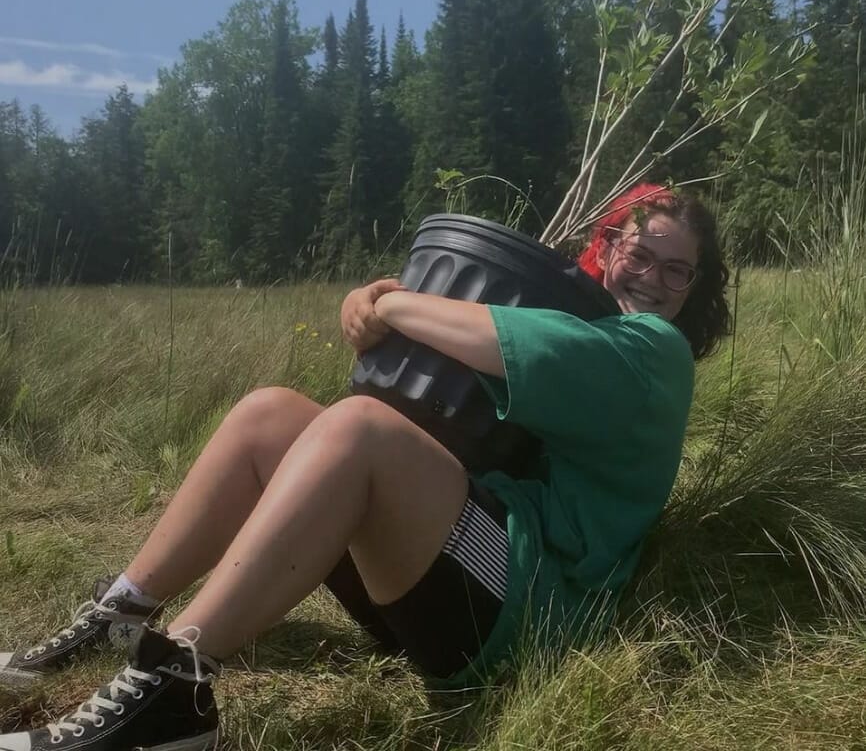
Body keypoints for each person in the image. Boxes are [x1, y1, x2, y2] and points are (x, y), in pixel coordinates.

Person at [0, 183, 730, 751]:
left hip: (531, 610)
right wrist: (371, 302)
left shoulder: (654, 353)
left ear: (694, 290)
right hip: (462, 580)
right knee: (271, 415)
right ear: (604, 248)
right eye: (638, 253)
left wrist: (391, 300)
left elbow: (503, 341)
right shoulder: (586, 323)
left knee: (359, 430)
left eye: (677, 270)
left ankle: (171, 691)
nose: (652, 279)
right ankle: (122, 611)